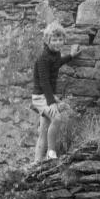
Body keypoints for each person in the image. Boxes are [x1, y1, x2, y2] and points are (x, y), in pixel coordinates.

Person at [32, 21, 81, 162]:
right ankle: (51, 153)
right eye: (54, 39)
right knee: (57, 118)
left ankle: (36, 163)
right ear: (47, 41)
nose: (57, 42)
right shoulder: (43, 58)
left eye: (60, 39)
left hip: (47, 96)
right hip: (40, 97)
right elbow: (44, 82)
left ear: (64, 40)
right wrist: (52, 102)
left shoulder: (55, 54)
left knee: (43, 130)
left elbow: (57, 63)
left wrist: (71, 56)